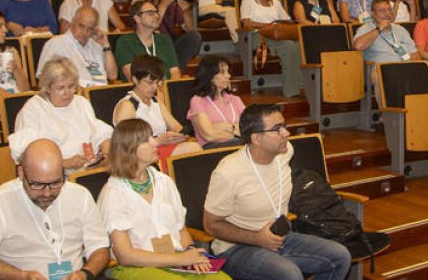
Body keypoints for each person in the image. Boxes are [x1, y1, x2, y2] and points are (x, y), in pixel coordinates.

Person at [203, 104, 351, 280]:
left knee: (340, 257)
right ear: (256, 138)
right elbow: (211, 225)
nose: (286, 133)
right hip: (236, 248)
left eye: (284, 126)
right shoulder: (228, 172)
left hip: (279, 238)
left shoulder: (285, 152)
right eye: (277, 129)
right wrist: (257, 238)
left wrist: (267, 239)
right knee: (289, 275)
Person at [0, 138, 110, 279]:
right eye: (37, 184)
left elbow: (99, 247)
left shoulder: (80, 196)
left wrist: (85, 273)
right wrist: (21, 276)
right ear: (21, 173)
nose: (47, 193)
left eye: (55, 183)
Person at [96, 119, 224, 279]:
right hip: (136, 267)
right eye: (146, 140)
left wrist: (191, 251)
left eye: (152, 137)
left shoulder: (164, 181)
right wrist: (178, 259)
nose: (155, 144)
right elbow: (125, 256)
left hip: (175, 258)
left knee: (220, 278)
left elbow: (181, 229)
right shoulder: (113, 193)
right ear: (128, 149)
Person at [11, 58, 114, 171]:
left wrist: (105, 156)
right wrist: (64, 163)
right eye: (60, 88)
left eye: (71, 87)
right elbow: (25, 154)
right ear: (47, 87)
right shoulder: (33, 109)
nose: (67, 93)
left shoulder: (81, 102)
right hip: (53, 173)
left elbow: (103, 135)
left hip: (88, 169)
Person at [111, 55, 199, 167]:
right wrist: (157, 141)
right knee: (192, 150)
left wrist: (182, 135)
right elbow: (126, 144)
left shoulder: (155, 101)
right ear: (135, 80)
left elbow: (176, 127)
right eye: (149, 82)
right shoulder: (127, 105)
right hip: (138, 156)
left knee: (194, 148)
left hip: (160, 148)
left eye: (157, 82)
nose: (154, 87)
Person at [241, 0, 302, 98]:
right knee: (289, 46)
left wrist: (276, 26)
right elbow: (246, 22)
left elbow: (287, 20)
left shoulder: (276, 2)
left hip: (277, 34)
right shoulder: (248, 0)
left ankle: (300, 86)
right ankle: (291, 91)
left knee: (300, 45)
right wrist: (268, 26)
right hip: (258, 35)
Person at [38, 6, 117, 88]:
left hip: (100, 92)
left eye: (90, 28)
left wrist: (106, 45)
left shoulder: (98, 46)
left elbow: (113, 76)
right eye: (81, 26)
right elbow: (43, 79)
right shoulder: (55, 44)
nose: (84, 32)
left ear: (95, 29)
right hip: (73, 95)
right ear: (72, 21)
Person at [187, 54, 246, 148]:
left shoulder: (235, 100)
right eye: (222, 72)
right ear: (210, 76)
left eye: (227, 71)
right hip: (213, 149)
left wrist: (221, 126)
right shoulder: (197, 101)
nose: (228, 75)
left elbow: (250, 128)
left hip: (240, 145)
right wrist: (234, 129)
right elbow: (209, 135)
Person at [115, 0, 181, 81]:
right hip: (141, 91)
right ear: (137, 18)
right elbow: (130, 74)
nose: (156, 16)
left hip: (165, 89)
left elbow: (175, 71)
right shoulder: (125, 42)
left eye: (156, 12)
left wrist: (169, 90)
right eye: (150, 14)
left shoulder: (164, 40)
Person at [353, 0, 419, 64]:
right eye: (382, 10)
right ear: (373, 14)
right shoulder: (365, 29)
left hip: (406, 68)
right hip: (382, 71)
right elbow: (358, 46)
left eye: (389, 9)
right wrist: (379, 28)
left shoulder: (400, 29)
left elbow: (415, 53)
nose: (387, 14)